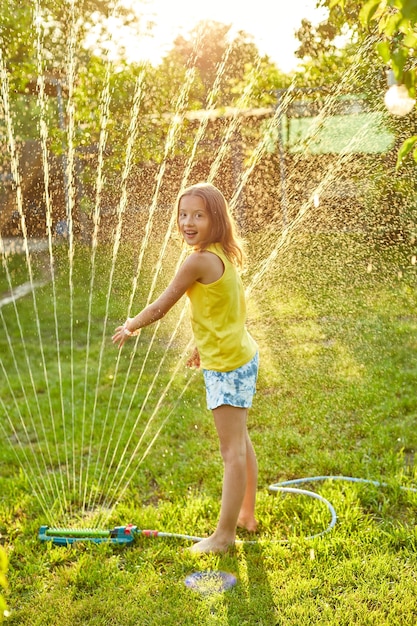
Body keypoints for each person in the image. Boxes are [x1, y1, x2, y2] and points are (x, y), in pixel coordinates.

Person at [112, 182, 259, 554]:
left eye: (198, 215)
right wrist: (201, 344)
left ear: (215, 219)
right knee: (240, 442)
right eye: (183, 214)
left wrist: (132, 324)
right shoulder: (220, 254)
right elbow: (223, 308)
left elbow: (163, 304)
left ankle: (224, 536)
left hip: (227, 366)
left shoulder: (196, 260)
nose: (188, 221)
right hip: (239, 356)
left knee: (232, 452)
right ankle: (246, 516)